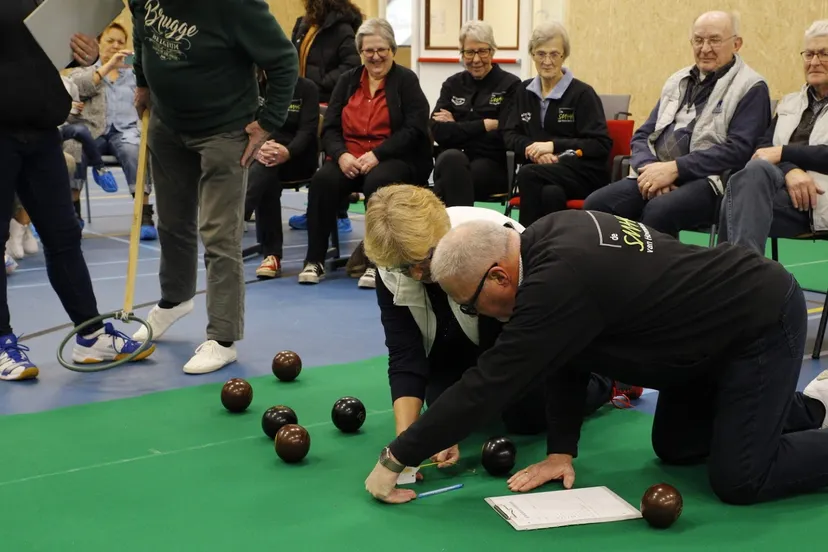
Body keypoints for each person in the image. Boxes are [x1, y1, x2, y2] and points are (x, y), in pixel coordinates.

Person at [363, 211, 828, 505]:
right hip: (702, 347)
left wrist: (395, 458)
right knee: (677, 447)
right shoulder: (546, 236)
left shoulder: (558, 281)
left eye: (469, 303)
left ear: (500, 277)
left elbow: (490, 384)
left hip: (758, 323)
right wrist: (561, 451)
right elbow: (568, 354)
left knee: (742, 479)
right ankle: (814, 406)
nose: (471, 313)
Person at [364, 185, 637, 469]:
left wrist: (446, 426)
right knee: (440, 401)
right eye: (404, 268)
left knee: (525, 413)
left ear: (441, 237)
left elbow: (510, 360)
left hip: (515, 335)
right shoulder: (392, 262)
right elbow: (405, 356)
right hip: (452, 340)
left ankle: (607, 382)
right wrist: (405, 446)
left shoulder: (491, 243)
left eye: (422, 262)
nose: (417, 275)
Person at [129, 0, 299, 374]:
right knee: (171, 223)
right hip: (168, 123)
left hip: (225, 130)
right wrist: (143, 81)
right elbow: (142, 29)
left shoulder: (238, 6)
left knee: (219, 234)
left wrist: (268, 120)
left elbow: (285, 61)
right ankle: (175, 299)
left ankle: (223, 339)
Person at [0, 1, 155, 381]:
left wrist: (78, 52)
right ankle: (1, 342)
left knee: (64, 235)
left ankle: (91, 335)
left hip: (40, 130)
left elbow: (44, 50)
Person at [583, 11, 772, 237]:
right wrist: (651, 169)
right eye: (698, 40)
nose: (705, 48)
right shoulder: (677, 81)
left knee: (659, 211)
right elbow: (643, 135)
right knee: (596, 205)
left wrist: (674, 170)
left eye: (714, 40)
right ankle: (614, 271)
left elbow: (739, 150)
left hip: (710, 181)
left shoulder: (752, 87)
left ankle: (658, 273)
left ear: (737, 44)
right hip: (656, 172)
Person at [297, 18, 433, 289]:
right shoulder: (348, 81)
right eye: (368, 51)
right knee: (323, 181)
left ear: (392, 49)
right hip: (351, 156)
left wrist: (378, 154)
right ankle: (314, 260)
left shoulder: (406, 81)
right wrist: (342, 155)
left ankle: (376, 262)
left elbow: (414, 129)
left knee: (377, 183)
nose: (375, 56)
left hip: (395, 157)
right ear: (361, 52)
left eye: (381, 49)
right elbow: (331, 128)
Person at [719, 20, 828, 253]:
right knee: (750, 177)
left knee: (734, 201)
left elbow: (776, 151)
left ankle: (735, 279)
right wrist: (790, 169)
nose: (814, 62)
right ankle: (743, 275)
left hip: (820, 202)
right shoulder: (791, 102)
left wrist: (784, 153)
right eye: (809, 54)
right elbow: (764, 147)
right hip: (783, 195)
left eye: (824, 54)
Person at [502, 22, 611, 227]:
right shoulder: (523, 91)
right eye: (540, 54)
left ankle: (525, 243)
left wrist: (553, 146)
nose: (547, 61)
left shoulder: (583, 94)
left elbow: (601, 144)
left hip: (582, 173)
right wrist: (533, 150)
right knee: (551, 194)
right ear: (532, 55)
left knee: (527, 173)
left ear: (564, 56)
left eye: (554, 54)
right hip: (543, 172)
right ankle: (555, 250)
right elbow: (509, 134)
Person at [65, 22, 157, 240]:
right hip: (92, 132)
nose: (116, 45)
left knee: (135, 150)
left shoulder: (135, 75)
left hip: (126, 131)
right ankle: (73, 215)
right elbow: (79, 88)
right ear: (98, 43)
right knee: (75, 147)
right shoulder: (83, 71)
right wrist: (106, 66)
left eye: (120, 42)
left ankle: (144, 217)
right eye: (110, 41)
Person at [287, 0, 364, 234]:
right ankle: (315, 210)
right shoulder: (303, 25)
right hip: (302, 98)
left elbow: (351, 65)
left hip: (330, 101)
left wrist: (318, 82)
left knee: (331, 154)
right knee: (307, 146)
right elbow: (291, 57)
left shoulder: (342, 28)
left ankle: (339, 214)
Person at [430, 21, 521, 207]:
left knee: (447, 178)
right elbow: (437, 130)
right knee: (451, 160)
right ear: (462, 53)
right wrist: (484, 125)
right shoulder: (452, 84)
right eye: (469, 52)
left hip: (492, 165)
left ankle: (452, 230)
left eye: (482, 51)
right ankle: (463, 232)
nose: (476, 59)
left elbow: (504, 134)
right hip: (452, 160)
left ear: (493, 51)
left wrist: (456, 126)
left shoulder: (511, 85)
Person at [247, 74, 320, 279]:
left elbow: (307, 131)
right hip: (262, 154)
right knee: (266, 171)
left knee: (263, 170)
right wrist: (260, 148)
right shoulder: (252, 86)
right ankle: (272, 255)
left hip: (297, 157)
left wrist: (287, 151)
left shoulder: (307, 88)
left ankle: (238, 221)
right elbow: (246, 126)